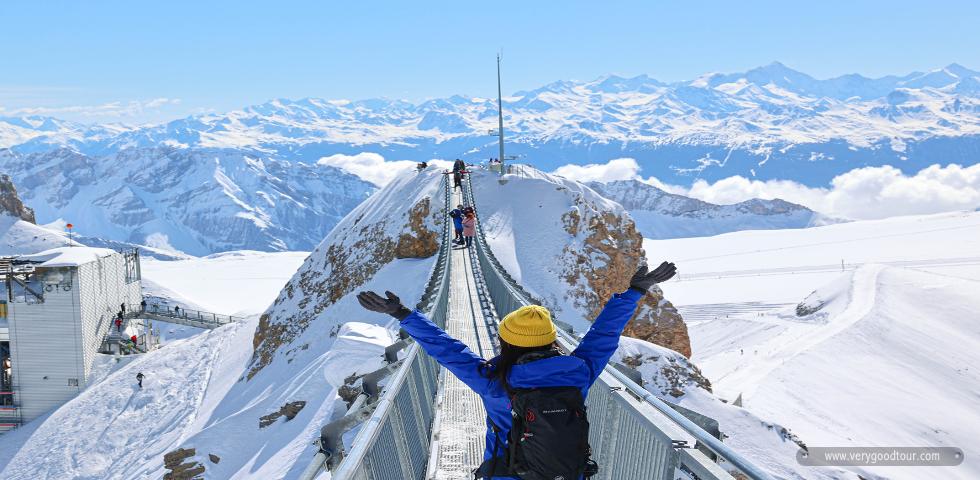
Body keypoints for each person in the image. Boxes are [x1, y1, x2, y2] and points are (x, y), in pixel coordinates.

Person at [356, 262, 677, 480]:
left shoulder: (495, 381)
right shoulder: (578, 372)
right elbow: (604, 335)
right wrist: (635, 291)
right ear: (550, 339)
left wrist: (402, 314)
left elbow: (448, 349)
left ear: (507, 343)